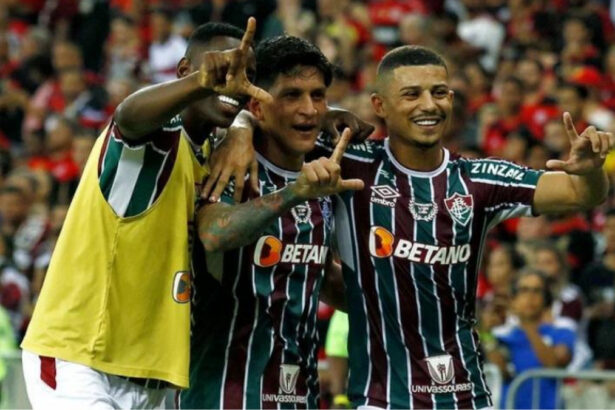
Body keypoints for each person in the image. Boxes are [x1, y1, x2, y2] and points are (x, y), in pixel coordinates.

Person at [230, 44, 613, 409]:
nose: (429, 105)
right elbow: (277, 118)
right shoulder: (348, 164)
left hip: (467, 396)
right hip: (379, 398)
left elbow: (581, 192)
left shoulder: (480, 179)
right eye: (411, 94)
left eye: (440, 92)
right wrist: (242, 127)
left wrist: (592, 172)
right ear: (380, 105)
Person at [20, 19, 273, 409]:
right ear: (185, 71)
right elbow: (128, 116)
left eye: (246, 74)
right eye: (221, 66)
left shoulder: (210, 153)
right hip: (81, 359)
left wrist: (243, 125)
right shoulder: (156, 136)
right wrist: (204, 83)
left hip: (152, 375)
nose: (233, 80)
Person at [180, 35, 363, 409]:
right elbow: (213, 233)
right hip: (223, 394)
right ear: (259, 108)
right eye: (292, 95)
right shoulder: (233, 161)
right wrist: (293, 193)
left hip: (300, 394)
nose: (310, 110)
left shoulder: (323, 174)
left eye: (318, 96)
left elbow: (317, 274)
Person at [489, 270, 575, 409]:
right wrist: (485, 332)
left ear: (546, 298)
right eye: (524, 290)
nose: (530, 296)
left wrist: (527, 324)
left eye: (537, 291)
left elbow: (553, 364)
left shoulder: (562, 333)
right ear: (513, 299)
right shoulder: (503, 338)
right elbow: (501, 372)